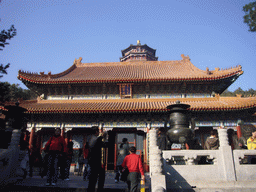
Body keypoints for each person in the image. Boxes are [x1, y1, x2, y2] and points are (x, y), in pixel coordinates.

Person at [87, 126, 107, 192]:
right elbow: (105, 145)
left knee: (92, 178)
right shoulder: (96, 139)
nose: (99, 132)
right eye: (98, 131)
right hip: (96, 161)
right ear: (96, 132)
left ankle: (91, 190)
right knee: (100, 177)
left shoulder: (89, 138)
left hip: (91, 160)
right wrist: (105, 136)